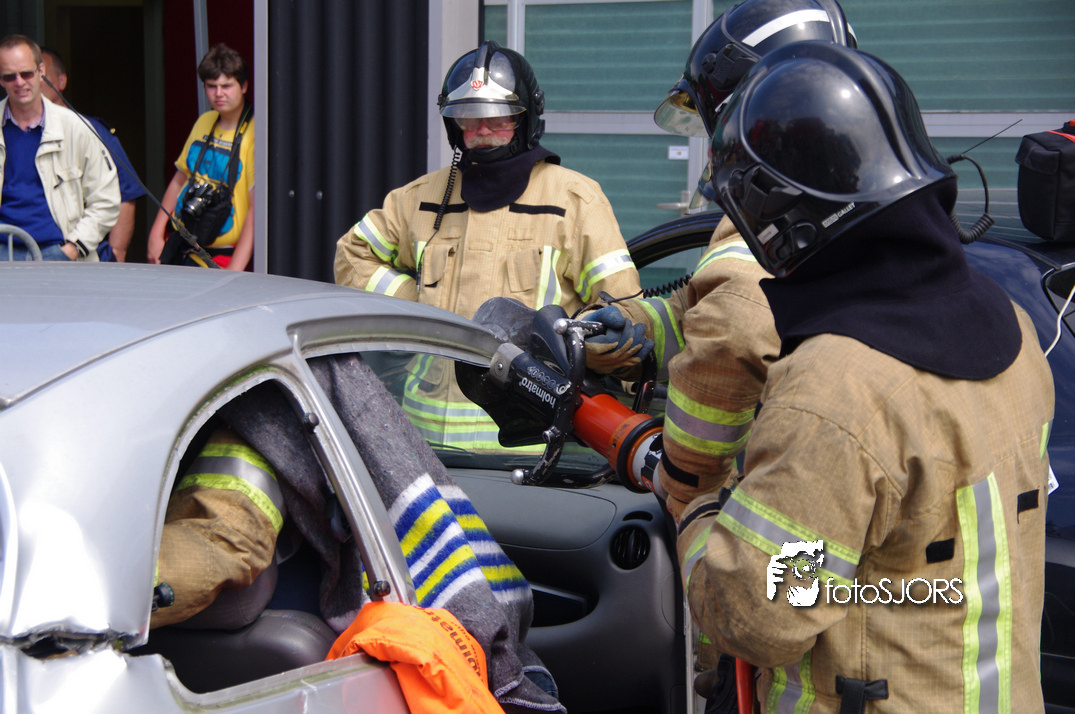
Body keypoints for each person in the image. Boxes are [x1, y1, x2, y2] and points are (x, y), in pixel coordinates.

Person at [671, 41, 1053, 711]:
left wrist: (698, 509)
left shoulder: (833, 391)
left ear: (785, 218)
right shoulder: (1014, 325)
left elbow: (755, 617)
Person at [584, 0, 857, 520]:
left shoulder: (796, 220)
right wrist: (634, 326)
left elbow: (736, 323)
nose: (718, 149)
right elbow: (704, 307)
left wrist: (689, 499)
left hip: (792, 523)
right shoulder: (818, 206)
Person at [335, 41, 642, 451]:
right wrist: (415, 306)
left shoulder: (574, 201)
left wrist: (576, 349)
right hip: (425, 446)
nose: (482, 131)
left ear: (526, 119)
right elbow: (352, 254)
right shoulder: (422, 198)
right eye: (469, 118)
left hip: (525, 450)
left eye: (498, 119)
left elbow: (625, 315)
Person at [0, 34, 119, 261]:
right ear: (1, 80)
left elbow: (106, 199)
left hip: (60, 251)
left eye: (26, 73)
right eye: (9, 76)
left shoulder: (77, 127)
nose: (19, 82)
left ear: (41, 70)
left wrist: (73, 249)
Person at [147, 43, 254, 270]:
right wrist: (156, 233)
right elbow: (180, 179)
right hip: (182, 246)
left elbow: (257, 210)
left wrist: (234, 272)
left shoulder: (256, 133)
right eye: (211, 86)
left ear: (244, 86)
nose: (219, 94)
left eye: (227, 86)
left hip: (222, 258)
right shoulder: (204, 121)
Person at [39, 46, 147, 262]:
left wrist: (117, 254)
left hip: (82, 257)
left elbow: (126, 193)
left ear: (61, 81)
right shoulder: (13, 130)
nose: (31, 83)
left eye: (42, 76)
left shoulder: (90, 130)